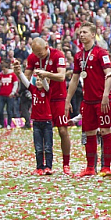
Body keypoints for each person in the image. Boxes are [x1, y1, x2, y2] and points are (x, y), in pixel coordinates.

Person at [64, 23, 111, 177]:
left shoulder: (101, 53)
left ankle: (106, 167)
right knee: (89, 133)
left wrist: (106, 94)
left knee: (106, 131)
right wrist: (67, 99)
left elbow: (109, 74)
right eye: (80, 33)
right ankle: (90, 168)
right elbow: (74, 79)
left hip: (101, 99)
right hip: (87, 101)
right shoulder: (79, 56)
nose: (81, 35)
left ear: (93, 34)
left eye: (85, 32)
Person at [25, 38, 71, 174]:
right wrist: (18, 72)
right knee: (42, 132)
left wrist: (46, 75)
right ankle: (41, 165)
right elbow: (26, 77)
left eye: (40, 53)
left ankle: (66, 164)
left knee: (62, 131)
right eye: (36, 53)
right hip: (43, 99)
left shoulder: (58, 55)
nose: (38, 56)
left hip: (58, 97)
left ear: (46, 47)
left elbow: (62, 76)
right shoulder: (33, 58)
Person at [14, 60, 52, 175]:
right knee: (38, 147)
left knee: (48, 146)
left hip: (47, 122)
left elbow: (46, 85)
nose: (39, 82)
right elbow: (25, 82)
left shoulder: (47, 92)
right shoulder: (33, 90)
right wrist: (19, 72)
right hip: (36, 122)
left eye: (41, 80)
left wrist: (43, 76)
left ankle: (48, 167)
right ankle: (39, 167)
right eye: (38, 80)